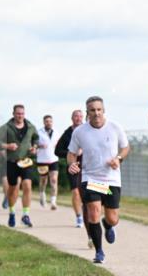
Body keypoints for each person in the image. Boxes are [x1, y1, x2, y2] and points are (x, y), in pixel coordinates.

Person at [67, 96, 129, 264]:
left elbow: (125, 148)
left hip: (111, 180)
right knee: (93, 212)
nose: (96, 113)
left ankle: (108, 225)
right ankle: (99, 251)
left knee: (113, 218)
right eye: (92, 110)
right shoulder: (80, 131)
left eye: (99, 109)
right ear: (87, 112)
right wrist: (72, 164)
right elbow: (71, 153)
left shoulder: (115, 127)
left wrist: (118, 158)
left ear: (104, 110)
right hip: (91, 178)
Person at [0, 105, 39, 228]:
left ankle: (25, 215)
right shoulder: (5, 127)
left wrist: (34, 147)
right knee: (13, 189)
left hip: (26, 161)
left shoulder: (30, 127)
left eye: (22, 113)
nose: (20, 116)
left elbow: (36, 138)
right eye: (18, 113)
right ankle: (12, 212)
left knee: (27, 185)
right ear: (13, 114)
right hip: (11, 162)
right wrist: (7, 146)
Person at [56, 109, 91, 237]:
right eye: (76, 116)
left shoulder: (88, 130)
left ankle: (93, 215)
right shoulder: (68, 133)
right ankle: (79, 217)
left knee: (91, 194)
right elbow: (57, 151)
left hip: (89, 167)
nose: (79, 118)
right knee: (76, 191)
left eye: (81, 116)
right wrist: (72, 153)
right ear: (72, 118)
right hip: (74, 166)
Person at [36, 114, 60, 209]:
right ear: (44, 122)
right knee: (43, 181)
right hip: (42, 160)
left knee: (54, 180)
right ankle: (42, 195)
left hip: (53, 159)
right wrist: (40, 146)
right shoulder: (38, 132)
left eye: (50, 121)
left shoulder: (56, 132)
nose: (49, 123)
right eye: (47, 121)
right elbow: (33, 144)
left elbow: (59, 142)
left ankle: (53, 202)